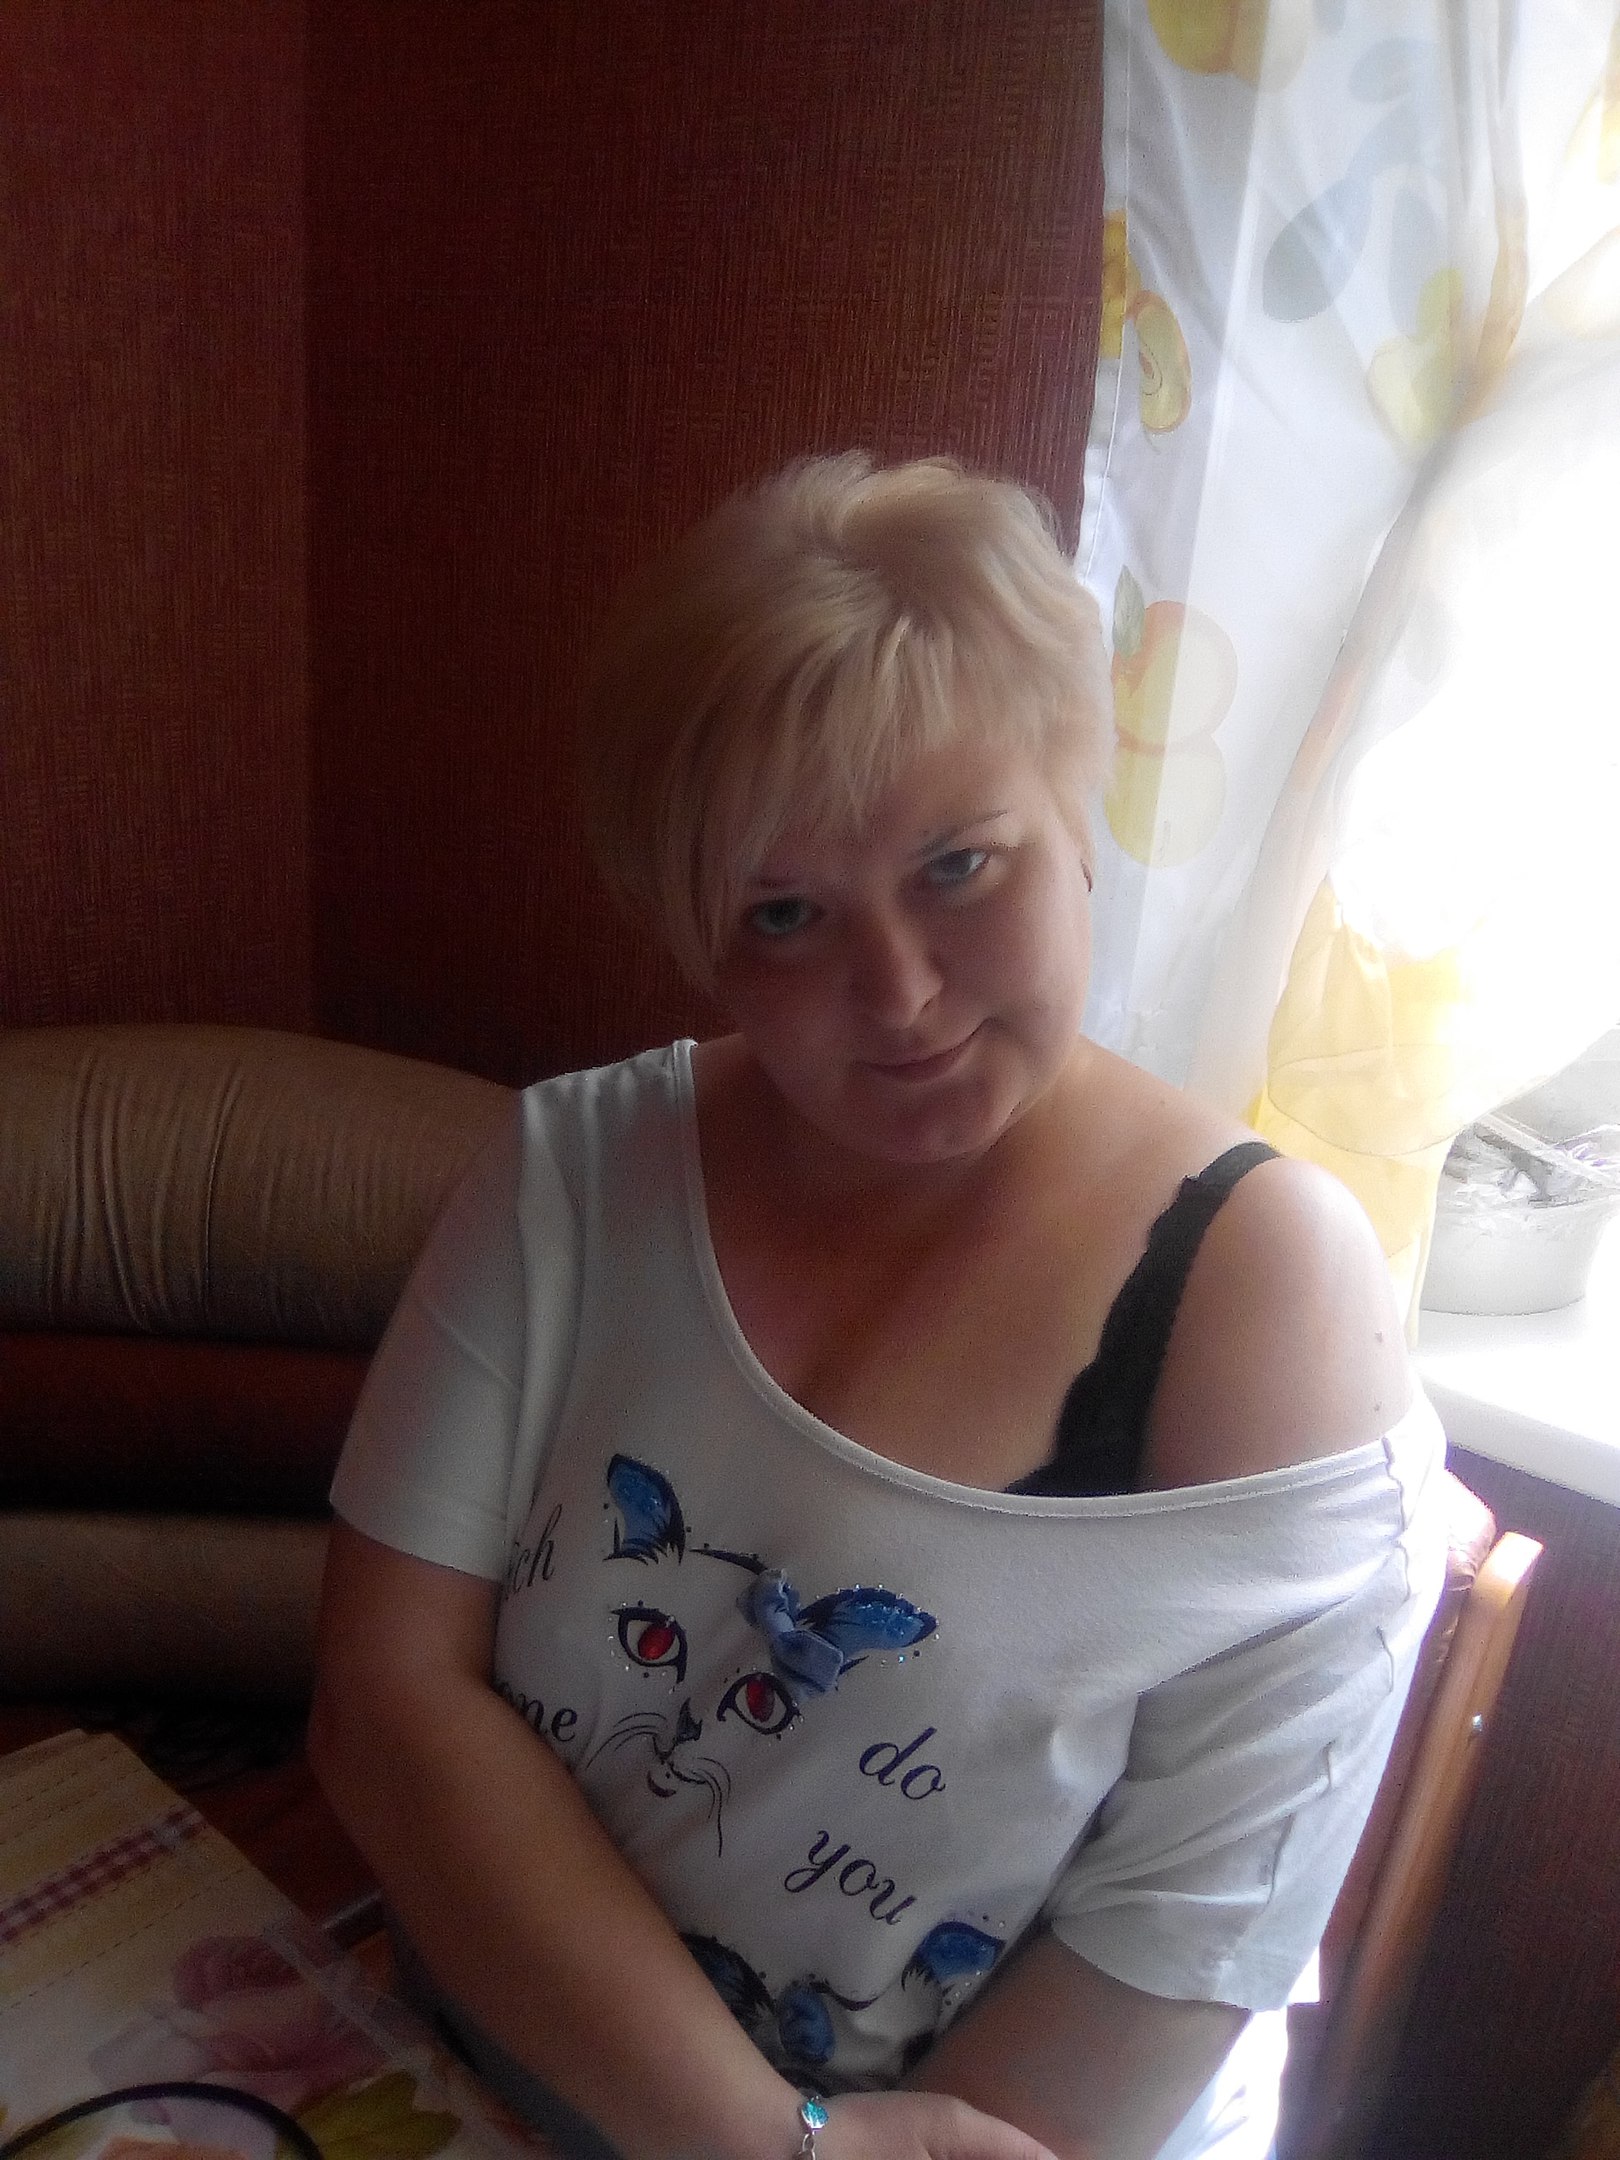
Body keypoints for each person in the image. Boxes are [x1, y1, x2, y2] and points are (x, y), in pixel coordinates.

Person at [310, 454, 1448, 2160]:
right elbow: (387, 1700)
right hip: (469, 2084)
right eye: (786, 915)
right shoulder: (575, 1174)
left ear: (1078, 808)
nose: (899, 994)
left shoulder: (1262, 1293)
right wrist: (763, 2140)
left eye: (960, 868)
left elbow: (1168, 1963)